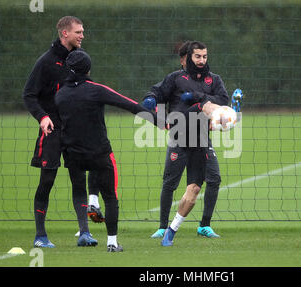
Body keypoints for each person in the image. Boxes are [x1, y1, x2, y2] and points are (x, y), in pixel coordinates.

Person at [55, 50, 163, 252]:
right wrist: (157, 120)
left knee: (78, 189)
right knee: (111, 197)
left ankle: (85, 225)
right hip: (99, 153)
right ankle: (112, 242)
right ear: (88, 69)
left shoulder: (60, 95)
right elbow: (128, 104)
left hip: (72, 155)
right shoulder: (96, 90)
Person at [23, 16, 102, 247]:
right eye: (78, 32)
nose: (82, 35)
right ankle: (40, 236)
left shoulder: (79, 60)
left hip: (75, 132)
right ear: (64, 34)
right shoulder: (46, 62)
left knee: (79, 179)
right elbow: (28, 95)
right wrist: (43, 117)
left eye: (83, 31)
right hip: (52, 131)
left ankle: (85, 233)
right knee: (47, 180)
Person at [142, 41, 229, 246]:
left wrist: (198, 97)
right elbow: (157, 92)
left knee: (213, 179)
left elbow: (223, 102)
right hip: (179, 136)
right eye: (198, 56)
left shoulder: (213, 79)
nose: (201, 60)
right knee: (170, 182)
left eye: (205, 56)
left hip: (202, 137)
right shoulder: (175, 78)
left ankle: (204, 225)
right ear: (189, 57)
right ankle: (163, 227)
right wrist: (150, 99)